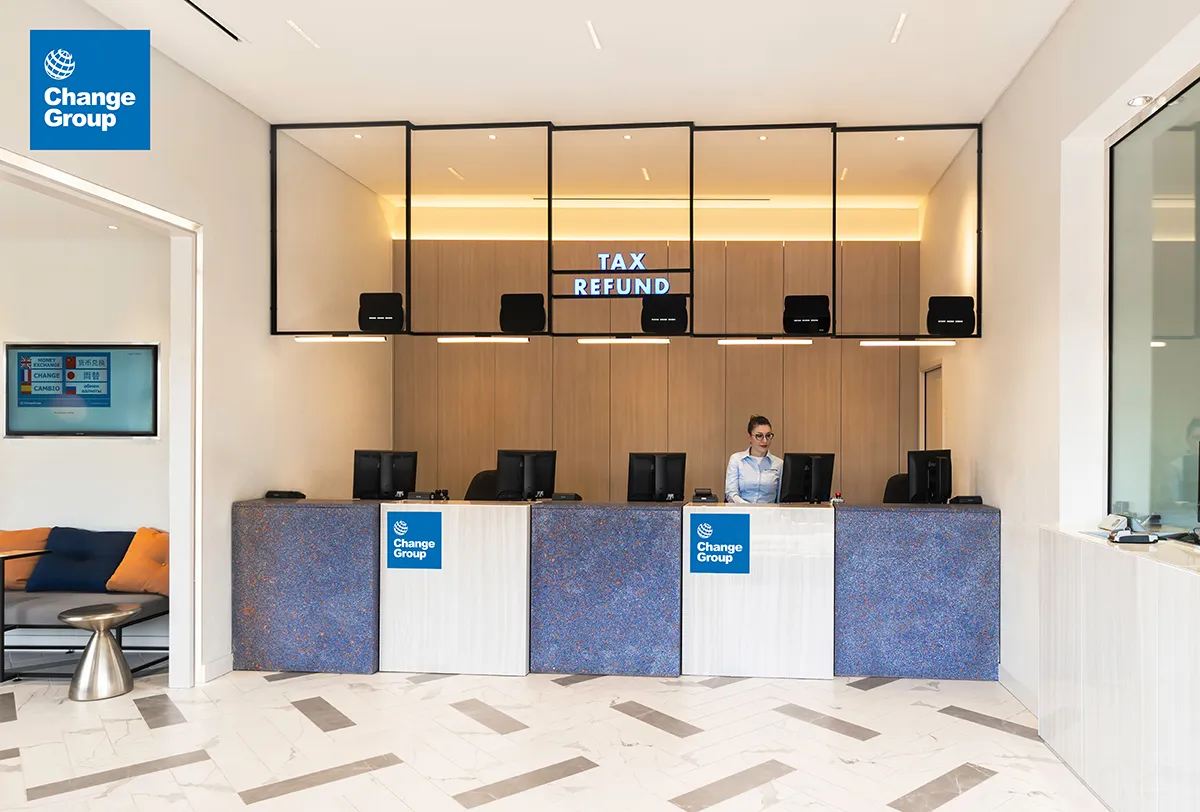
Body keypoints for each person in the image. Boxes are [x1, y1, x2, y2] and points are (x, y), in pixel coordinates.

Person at [725, 415, 783, 503]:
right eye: (759, 436)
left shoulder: (779, 464)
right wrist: (750, 508)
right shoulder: (736, 460)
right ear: (749, 437)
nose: (764, 441)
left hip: (770, 514)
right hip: (743, 513)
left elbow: (781, 499)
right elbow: (731, 493)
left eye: (768, 435)